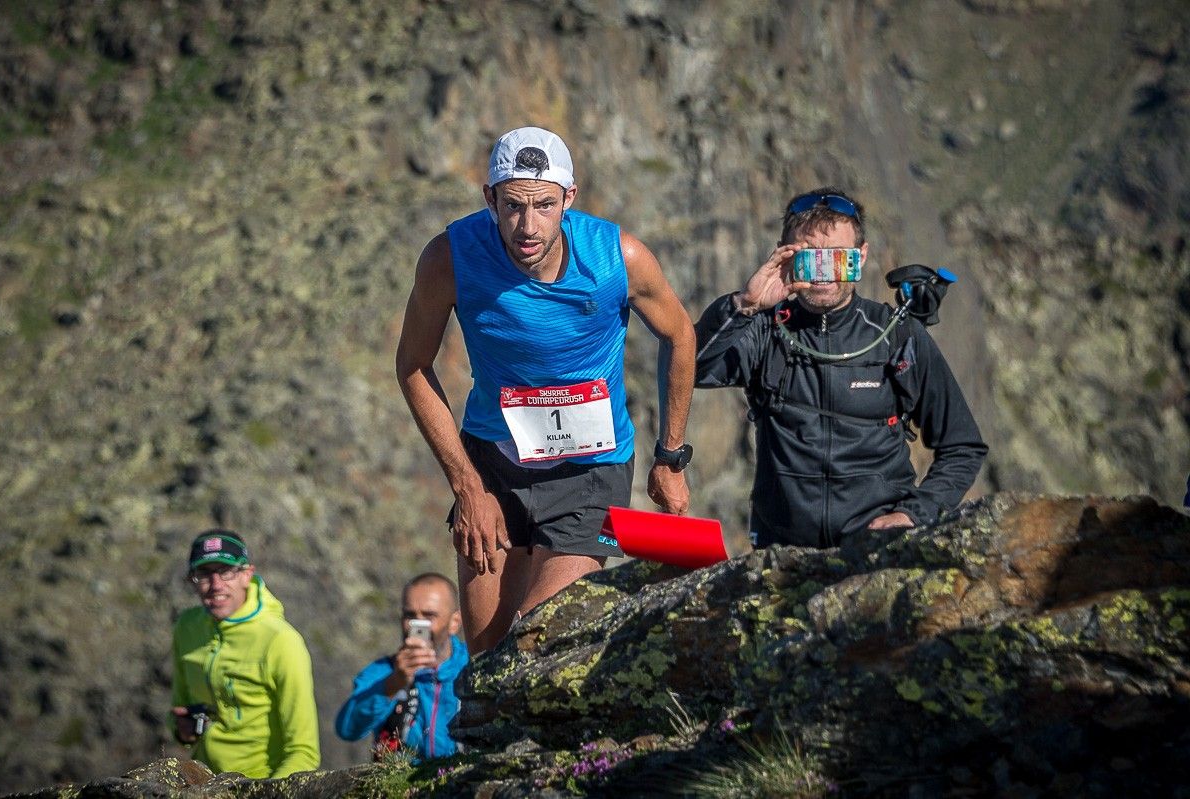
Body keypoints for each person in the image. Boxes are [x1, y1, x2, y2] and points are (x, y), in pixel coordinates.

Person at [396, 126, 697, 654]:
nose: (527, 226)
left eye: (543, 205)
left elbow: (679, 334)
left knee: (538, 641)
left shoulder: (616, 258)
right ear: (489, 198)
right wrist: (468, 487)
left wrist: (670, 457)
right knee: (488, 655)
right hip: (493, 468)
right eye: (512, 207)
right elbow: (414, 366)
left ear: (569, 199)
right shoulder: (450, 257)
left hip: (591, 471)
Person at [695, 188, 987, 548]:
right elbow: (691, 369)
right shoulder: (763, 329)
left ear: (861, 256)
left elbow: (963, 447)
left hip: (876, 551)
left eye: (836, 256)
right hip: (780, 552)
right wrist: (744, 304)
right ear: (783, 255)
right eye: (808, 257)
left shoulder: (896, 334)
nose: (822, 271)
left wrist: (915, 514)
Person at [168, 530, 320, 778]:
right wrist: (181, 729)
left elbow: (304, 752)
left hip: (260, 784)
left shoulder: (281, 641)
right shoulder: (186, 627)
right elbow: (178, 710)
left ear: (247, 574)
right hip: (204, 784)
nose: (216, 585)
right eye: (205, 574)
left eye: (226, 572)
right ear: (191, 579)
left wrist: (266, 794)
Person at [335, 573, 468, 760]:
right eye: (409, 615)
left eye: (429, 616)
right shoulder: (383, 672)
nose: (416, 625)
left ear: (454, 622)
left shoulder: (474, 666)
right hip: (400, 786)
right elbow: (347, 729)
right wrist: (393, 684)